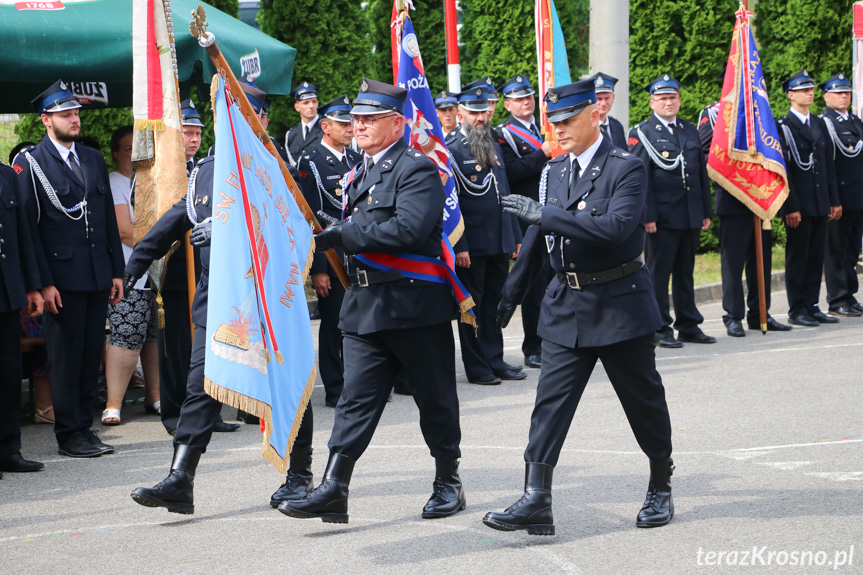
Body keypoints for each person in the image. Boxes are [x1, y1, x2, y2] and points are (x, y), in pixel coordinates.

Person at [486, 79, 674, 536]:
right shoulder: (555, 171)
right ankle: (536, 498)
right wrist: (510, 295)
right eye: (554, 122)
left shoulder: (625, 166)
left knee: (642, 400)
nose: (560, 129)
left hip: (619, 304)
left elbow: (615, 227)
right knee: (549, 403)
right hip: (567, 303)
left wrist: (543, 215)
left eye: (568, 120)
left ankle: (660, 483)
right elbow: (538, 238)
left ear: (595, 114)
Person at [278, 78, 465, 523]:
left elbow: (411, 231)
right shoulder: (361, 169)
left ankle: (448, 481)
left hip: (413, 305)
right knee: (354, 401)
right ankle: (334, 487)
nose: (357, 125)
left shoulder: (417, 168)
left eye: (368, 119)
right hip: (364, 304)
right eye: (354, 119)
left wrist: (343, 233)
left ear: (397, 124)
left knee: (434, 398)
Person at [125, 149, 316, 514]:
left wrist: (228, 227)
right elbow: (178, 215)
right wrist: (139, 260)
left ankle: (300, 473)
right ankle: (180, 478)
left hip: (268, 297)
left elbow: (292, 225)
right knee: (201, 385)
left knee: (285, 385)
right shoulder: (208, 169)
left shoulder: (274, 167)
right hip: (218, 299)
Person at [13, 80, 125, 458]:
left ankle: (84, 427)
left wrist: (115, 270)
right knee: (65, 357)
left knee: (90, 351)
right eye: (65, 114)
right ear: (46, 120)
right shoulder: (31, 163)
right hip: (60, 278)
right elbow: (29, 230)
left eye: (75, 113)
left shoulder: (91, 158)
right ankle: (68, 433)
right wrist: (42, 283)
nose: (74, 119)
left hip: (95, 273)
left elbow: (105, 217)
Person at [158, 100, 239, 436]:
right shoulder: (161, 173)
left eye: (196, 133)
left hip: (207, 268)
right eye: (186, 133)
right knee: (176, 347)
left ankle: (209, 409)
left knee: (206, 348)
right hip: (175, 271)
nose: (192, 139)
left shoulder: (209, 166)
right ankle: (174, 412)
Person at [629, 74, 715, 348]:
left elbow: (700, 172)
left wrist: (705, 210)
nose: (669, 102)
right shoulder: (641, 133)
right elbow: (641, 179)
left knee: (685, 272)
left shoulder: (689, 129)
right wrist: (648, 216)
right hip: (662, 218)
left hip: (689, 214)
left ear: (679, 99)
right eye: (663, 98)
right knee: (658, 274)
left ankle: (688, 324)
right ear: (652, 102)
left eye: (673, 97)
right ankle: (659, 327)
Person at [447, 87, 524, 385]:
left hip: (499, 240)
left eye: (484, 111)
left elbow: (503, 192)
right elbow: (452, 204)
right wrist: (460, 245)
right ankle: (478, 367)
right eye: (474, 112)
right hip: (472, 245)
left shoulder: (493, 142)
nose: (481, 117)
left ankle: (496, 360)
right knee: (473, 306)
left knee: (495, 302)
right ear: (460, 114)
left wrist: (515, 235)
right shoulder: (451, 149)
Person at [697, 96, 792, 336]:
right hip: (733, 197)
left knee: (762, 260)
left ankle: (760, 313)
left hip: (761, 197)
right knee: (733, 262)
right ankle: (733, 316)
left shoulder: (760, 113)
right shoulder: (714, 115)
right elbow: (705, 154)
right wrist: (736, 168)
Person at [296, 95, 361, 408]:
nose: (350, 128)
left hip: (355, 252)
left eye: (351, 123)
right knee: (334, 322)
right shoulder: (310, 160)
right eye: (343, 123)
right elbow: (307, 215)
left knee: (358, 321)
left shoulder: (354, 159)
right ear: (325, 126)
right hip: (331, 255)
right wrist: (318, 266)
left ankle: (356, 381)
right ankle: (335, 387)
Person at [102, 126, 160, 425]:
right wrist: (162, 239)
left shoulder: (153, 180)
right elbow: (125, 230)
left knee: (153, 337)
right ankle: (113, 404)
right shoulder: (116, 181)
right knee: (126, 338)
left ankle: (155, 396)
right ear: (116, 154)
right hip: (131, 273)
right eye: (128, 149)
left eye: (138, 149)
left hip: (157, 274)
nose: (134, 155)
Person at [495, 73, 552, 370]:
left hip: (554, 212)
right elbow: (511, 174)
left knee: (559, 281)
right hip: (528, 220)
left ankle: (558, 341)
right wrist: (541, 155)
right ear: (507, 105)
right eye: (518, 99)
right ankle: (534, 346)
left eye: (528, 97)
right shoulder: (503, 134)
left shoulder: (548, 128)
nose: (526, 102)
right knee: (535, 286)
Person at [777, 70, 842, 326]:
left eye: (811, 89)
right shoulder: (783, 126)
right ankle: (797, 308)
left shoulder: (819, 124)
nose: (810, 93)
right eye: (804, 90)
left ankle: (813, 304)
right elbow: (785, 171)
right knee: (798, 256)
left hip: (819, 201)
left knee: (816, 256)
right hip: (799, 204)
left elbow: (828, 166)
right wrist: (790, 206)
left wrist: (834, 200)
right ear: (791, 95)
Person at [0, 162, 45, 476]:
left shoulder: (5, 174)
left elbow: (22, 234)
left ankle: (8, 449)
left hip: (5, 290)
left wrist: (32, 285)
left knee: (8, 373)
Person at [818, 73, 863, 317]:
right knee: (835, 250)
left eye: (846, 92)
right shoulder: (825, 123)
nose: (843, 96)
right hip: (840, 198)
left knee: (851, 249)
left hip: (857, 196)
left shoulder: (855, 121)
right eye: (838, 93)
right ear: (826, 97)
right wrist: (833, 200)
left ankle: (849, 294)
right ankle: (837, 299)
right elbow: (828, 166)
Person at [284, 82, 322, 166]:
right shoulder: (291, 135)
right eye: (306, 103)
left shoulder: (325, 129)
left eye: (314, 101)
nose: (311, 106)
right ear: (297, 107)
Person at [590, 72, 628, 148]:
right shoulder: (586, 128)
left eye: (607, 98)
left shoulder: (617, 126)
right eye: (599, 99)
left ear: (613, 98)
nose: (603, 103)